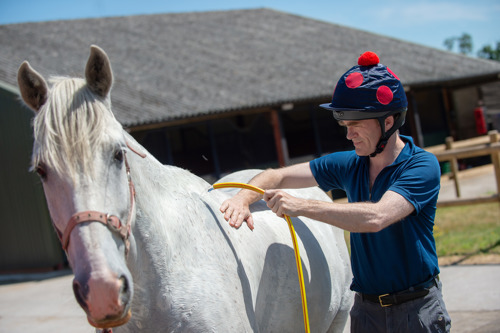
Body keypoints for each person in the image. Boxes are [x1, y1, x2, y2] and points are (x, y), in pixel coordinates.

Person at [219, 51, 451, 332]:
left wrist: (301, 206)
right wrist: (243, 198)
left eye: (356, 125)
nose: (348, 134)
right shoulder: (350, 163)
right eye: (345, 125)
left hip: (416, 310)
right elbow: (277, 175)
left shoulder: (421, 165)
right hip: (366, 311)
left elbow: (377, 217)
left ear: (388, 122)